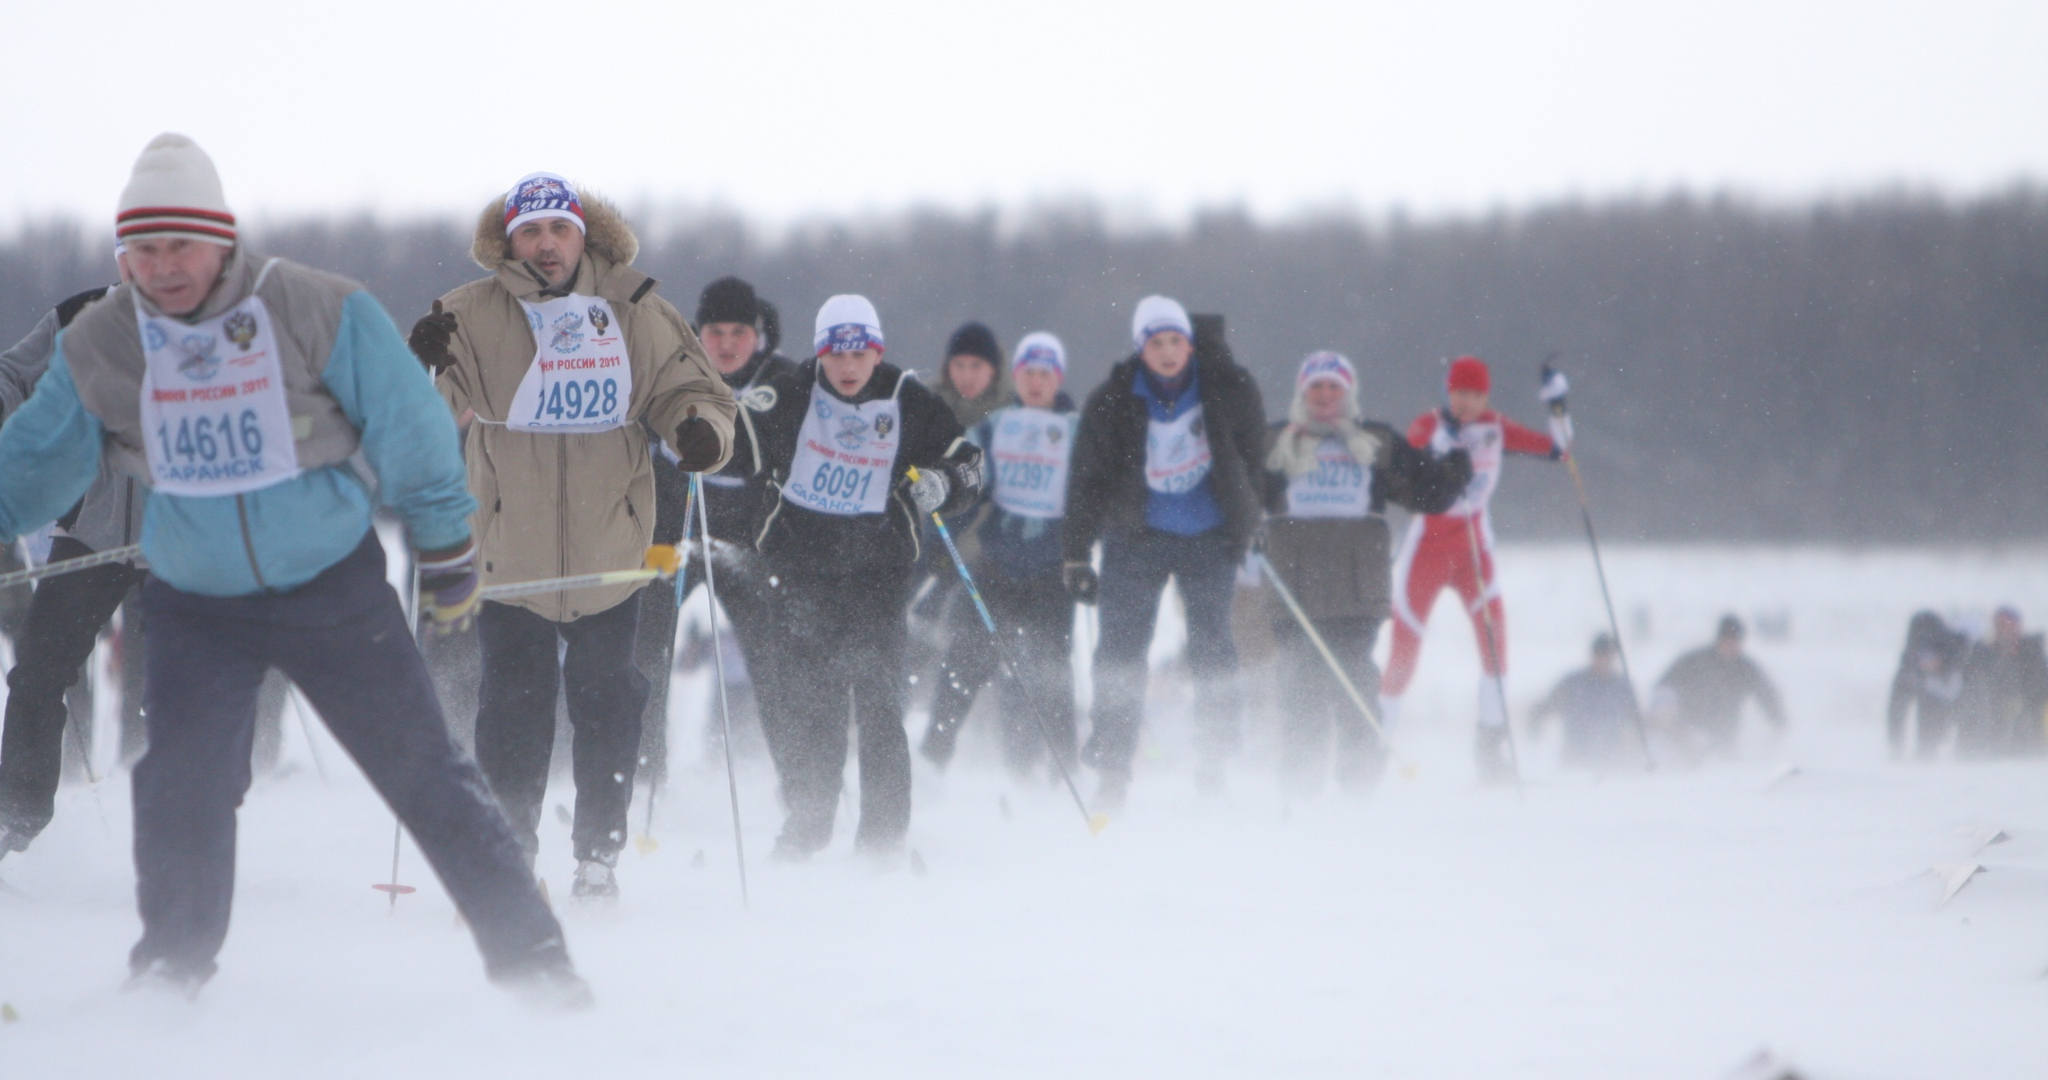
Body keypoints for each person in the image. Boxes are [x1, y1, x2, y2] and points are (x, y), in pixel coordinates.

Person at [0, 134, 578, 998]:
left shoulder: (309, 306)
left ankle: (535, 963)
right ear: (122, 256)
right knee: (181, 785)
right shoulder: (103, 341)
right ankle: (171, 968)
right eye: (143, 250)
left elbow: (407, 418)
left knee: (422, 768)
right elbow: (34, 460)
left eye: (181, 246)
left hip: (329, 588)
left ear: (223, 238)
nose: (163, 269)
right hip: (195, 600)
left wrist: (447, 541)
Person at [408, 171, 734, 900]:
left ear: (584, 234)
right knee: (513, 707)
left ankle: (598, 856)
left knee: (608, 701)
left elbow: (697, 390)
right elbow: (414, 414)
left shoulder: (634, 307)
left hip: (611, 551)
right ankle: (510, 849)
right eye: (531, 231)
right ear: (509, 240)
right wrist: (418, 362)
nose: (547, 245)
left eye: (559, 229)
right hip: (509, 554)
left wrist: (699, 433)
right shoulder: (469, 312)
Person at [750, 294, 982, 859]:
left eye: (861, 353)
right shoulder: (789, 392)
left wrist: (942, 484)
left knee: (878, 702)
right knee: (815, 705)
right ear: (820, 353)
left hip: (878, 574)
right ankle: (807, 827)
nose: (849, 367)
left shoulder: (908, 398)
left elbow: (969, 462)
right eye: (836, 354)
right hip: (802, 571)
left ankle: (881, 840)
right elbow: (730, 444)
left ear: (877, 351)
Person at [1062, 298, 1266, 805]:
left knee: (1213, 646)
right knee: (1120, 652)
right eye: (1157, 343)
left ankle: (1213, 764)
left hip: (1210, 537)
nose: (1169, 352)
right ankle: (1113, 769)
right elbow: (1087, 481)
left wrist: (1250, 521)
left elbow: (1254, 459)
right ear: (1141, 349)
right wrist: (1075, 554)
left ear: (1190, 345)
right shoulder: (1112, 400)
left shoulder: (1229, 389)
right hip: (1136, 538)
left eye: (1176, 341)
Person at [1260, 351, 1470, 790]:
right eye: (1315, 387)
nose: (1324, 396)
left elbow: (1425, 495)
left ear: (1348, 392)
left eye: (1334, 387)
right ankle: (1299, 788)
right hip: (1292, 589)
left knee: (1354, 688)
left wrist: (1453, 472)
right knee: (1300, 691)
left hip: (1356, 590)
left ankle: (1358, 788)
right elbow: (1239, 491)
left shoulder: (1375, 442)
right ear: (1302, 392)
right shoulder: (1274, 441)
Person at [0, 277, 150, 858]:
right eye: (135, 248)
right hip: (93, 528)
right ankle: (16, 816)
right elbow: (14, 372)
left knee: (186, 684)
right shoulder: (81, 314)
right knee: (38, 670)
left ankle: (189, 834)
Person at [1379, 355, 1563, 783]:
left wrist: (1557, 405)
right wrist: (1446, 448)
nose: (1468, 402)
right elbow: (1414, 457)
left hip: (1473, 555)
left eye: (1477, 394)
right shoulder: (1427, 425)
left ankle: (1491, 749)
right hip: (1426, 552)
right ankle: (1372, 745)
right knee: (1403, 657)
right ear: (1449, 391)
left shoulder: (1495, 428)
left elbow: (1557, 450)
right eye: (1461, 393)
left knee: (1496, 649)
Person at [920, 331, 1081, 777]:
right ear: (1016, 376)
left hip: (1051, 568)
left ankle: (1063, 767)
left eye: (1045, 373)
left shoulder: (1074, 428)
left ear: (1058, 377)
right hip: (998, 563)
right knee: (965, 662)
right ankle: (934, 758)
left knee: (1052, 673)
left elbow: (1094, 490)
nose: (1035, 381)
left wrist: (1087, 547)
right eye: (1028, 372)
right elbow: (965, 478)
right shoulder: (996, 425)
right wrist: (941, 513)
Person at [671, 275, 797, 774]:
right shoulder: (674, 375)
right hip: (678, 532)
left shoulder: (782, 382)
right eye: (715, 333)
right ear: (698, 333)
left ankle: (798, 784)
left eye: (738, 334)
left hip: (750, 541)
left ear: (758, 334)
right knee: (644, 651)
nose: (726, 345)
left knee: (773, 663)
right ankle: (638, 780)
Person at [1650, 615, 1785, 758]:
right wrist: (1664, 711)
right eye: (1727, 640)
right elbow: (1664, 685)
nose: (1731, 645)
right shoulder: (1695, 661)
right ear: (1719, 639)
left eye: (1735, 641)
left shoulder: (1745, 669)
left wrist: (1778, 719)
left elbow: (1765, 693)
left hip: (1724, 737)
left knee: (1720, 767)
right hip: (1688, 732)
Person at [1529, 634, 1642, 770]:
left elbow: (1637, 719)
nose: (1603, 660)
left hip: (1613, 759)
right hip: (1575, 757)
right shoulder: (1573, 683)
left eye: (1608, 655)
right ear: (1592, 655)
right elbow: (1546, 707)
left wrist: (1640, 746)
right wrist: (1535, 724)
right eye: (1599, 654)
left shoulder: (1622, 687)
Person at [1956, 606, 2048, 757]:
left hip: (2029, 709)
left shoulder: (2031, 651)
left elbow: (2040, 684)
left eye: (2010, 626)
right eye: (2001, 626)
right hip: (1992, 709)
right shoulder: (1982, 653)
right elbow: (1971, 683)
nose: (2006, 631)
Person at [1886, 611, 1968, 759]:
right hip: (1922, 683)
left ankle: (1929, 749)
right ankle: (1924, 750)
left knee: (1934, 704)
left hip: (1958, 709)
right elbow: (1896, 710)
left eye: (1931, 657)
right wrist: (1895, 746)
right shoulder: (1909, 669)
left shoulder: (1959, 660)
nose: (1927, 662)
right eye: (1922, 656)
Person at [934, 321, 1008, 429]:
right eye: (959, 365)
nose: (967, 377)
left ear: (993, 369)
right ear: (948, 368)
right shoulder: (927, 406)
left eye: (976, 366)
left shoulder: (1019, 408)